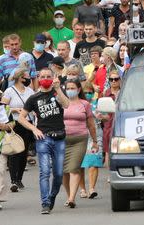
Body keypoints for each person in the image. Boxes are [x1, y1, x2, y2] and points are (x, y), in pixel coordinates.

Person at [17, 68, 71, 215]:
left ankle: (52, 196)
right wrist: (34, 129)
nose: (45, 78)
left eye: (48, 76)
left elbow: (66, 105)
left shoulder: (57, 92)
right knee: (45, 171)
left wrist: (58, 88)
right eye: (43, 76)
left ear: (53, 78)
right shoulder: (34, 98)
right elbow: (21, 118)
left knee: (59, 174)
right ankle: (45, 202)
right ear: (38, 78)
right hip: (43, 138)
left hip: (59, 137)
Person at [62, 79, 97, 208]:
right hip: (62, 140)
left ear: (78, 89)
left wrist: (94, 141)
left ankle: (72, 198)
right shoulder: (61, 103)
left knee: (74, 168)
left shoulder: (84, 104)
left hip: (79, 139)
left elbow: (91, 124)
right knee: (64, 171)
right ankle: (68, 195)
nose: (70, 90)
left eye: (73, 88)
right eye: (68, 88)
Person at [1, 68, 35, 191]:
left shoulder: (30, 91)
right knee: (15, 151)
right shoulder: (9, 91)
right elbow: (3, 108)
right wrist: (14, 109)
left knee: (24, 151)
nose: (29, 78)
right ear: (21, 77)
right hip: (15, 123)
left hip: (27, 122)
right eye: (27, 76)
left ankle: (19, 178)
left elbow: (34, 106)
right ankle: (13, 179)